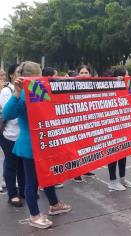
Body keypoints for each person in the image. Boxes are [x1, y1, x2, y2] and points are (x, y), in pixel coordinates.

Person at [3, 61, 71, 229]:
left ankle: (54, 205)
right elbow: (7, 113)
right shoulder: (24, 94)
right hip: (30, 146)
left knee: (48, 176)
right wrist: (17, 92)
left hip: (45, 143)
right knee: (31, 182)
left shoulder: (40, 90)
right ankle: (34, 215)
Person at [0, 64, 25, 206]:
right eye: (18, 73)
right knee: (11, 165)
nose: (21, 75)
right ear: (11, 75)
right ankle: (12, 194)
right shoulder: (6, 91)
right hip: (10, 135)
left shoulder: (28, 88)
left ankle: (23, 191)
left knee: (22, 165)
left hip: (23, 135)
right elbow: (10, 113)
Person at [107, 67, 131, 190]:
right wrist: (115, 83)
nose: (128, 76)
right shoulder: (109, 86)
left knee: (124, 152)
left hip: (124, 124)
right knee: (113, 153)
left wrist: (126, 82)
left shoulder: (127, 85)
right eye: (127, 74)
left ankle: (122, 178)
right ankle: (113, 181)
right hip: (112, 125)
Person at [74, 65, 96, 182]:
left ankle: (86, 169)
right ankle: (76, 172)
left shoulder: (94, 87)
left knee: (88, 147)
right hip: (77, 123)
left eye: (86, 72)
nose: (83, 75)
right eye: (81, 72)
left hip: (90, 123)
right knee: (78, 148)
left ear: (90, 75)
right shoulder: (71, 86)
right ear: (78, 74)